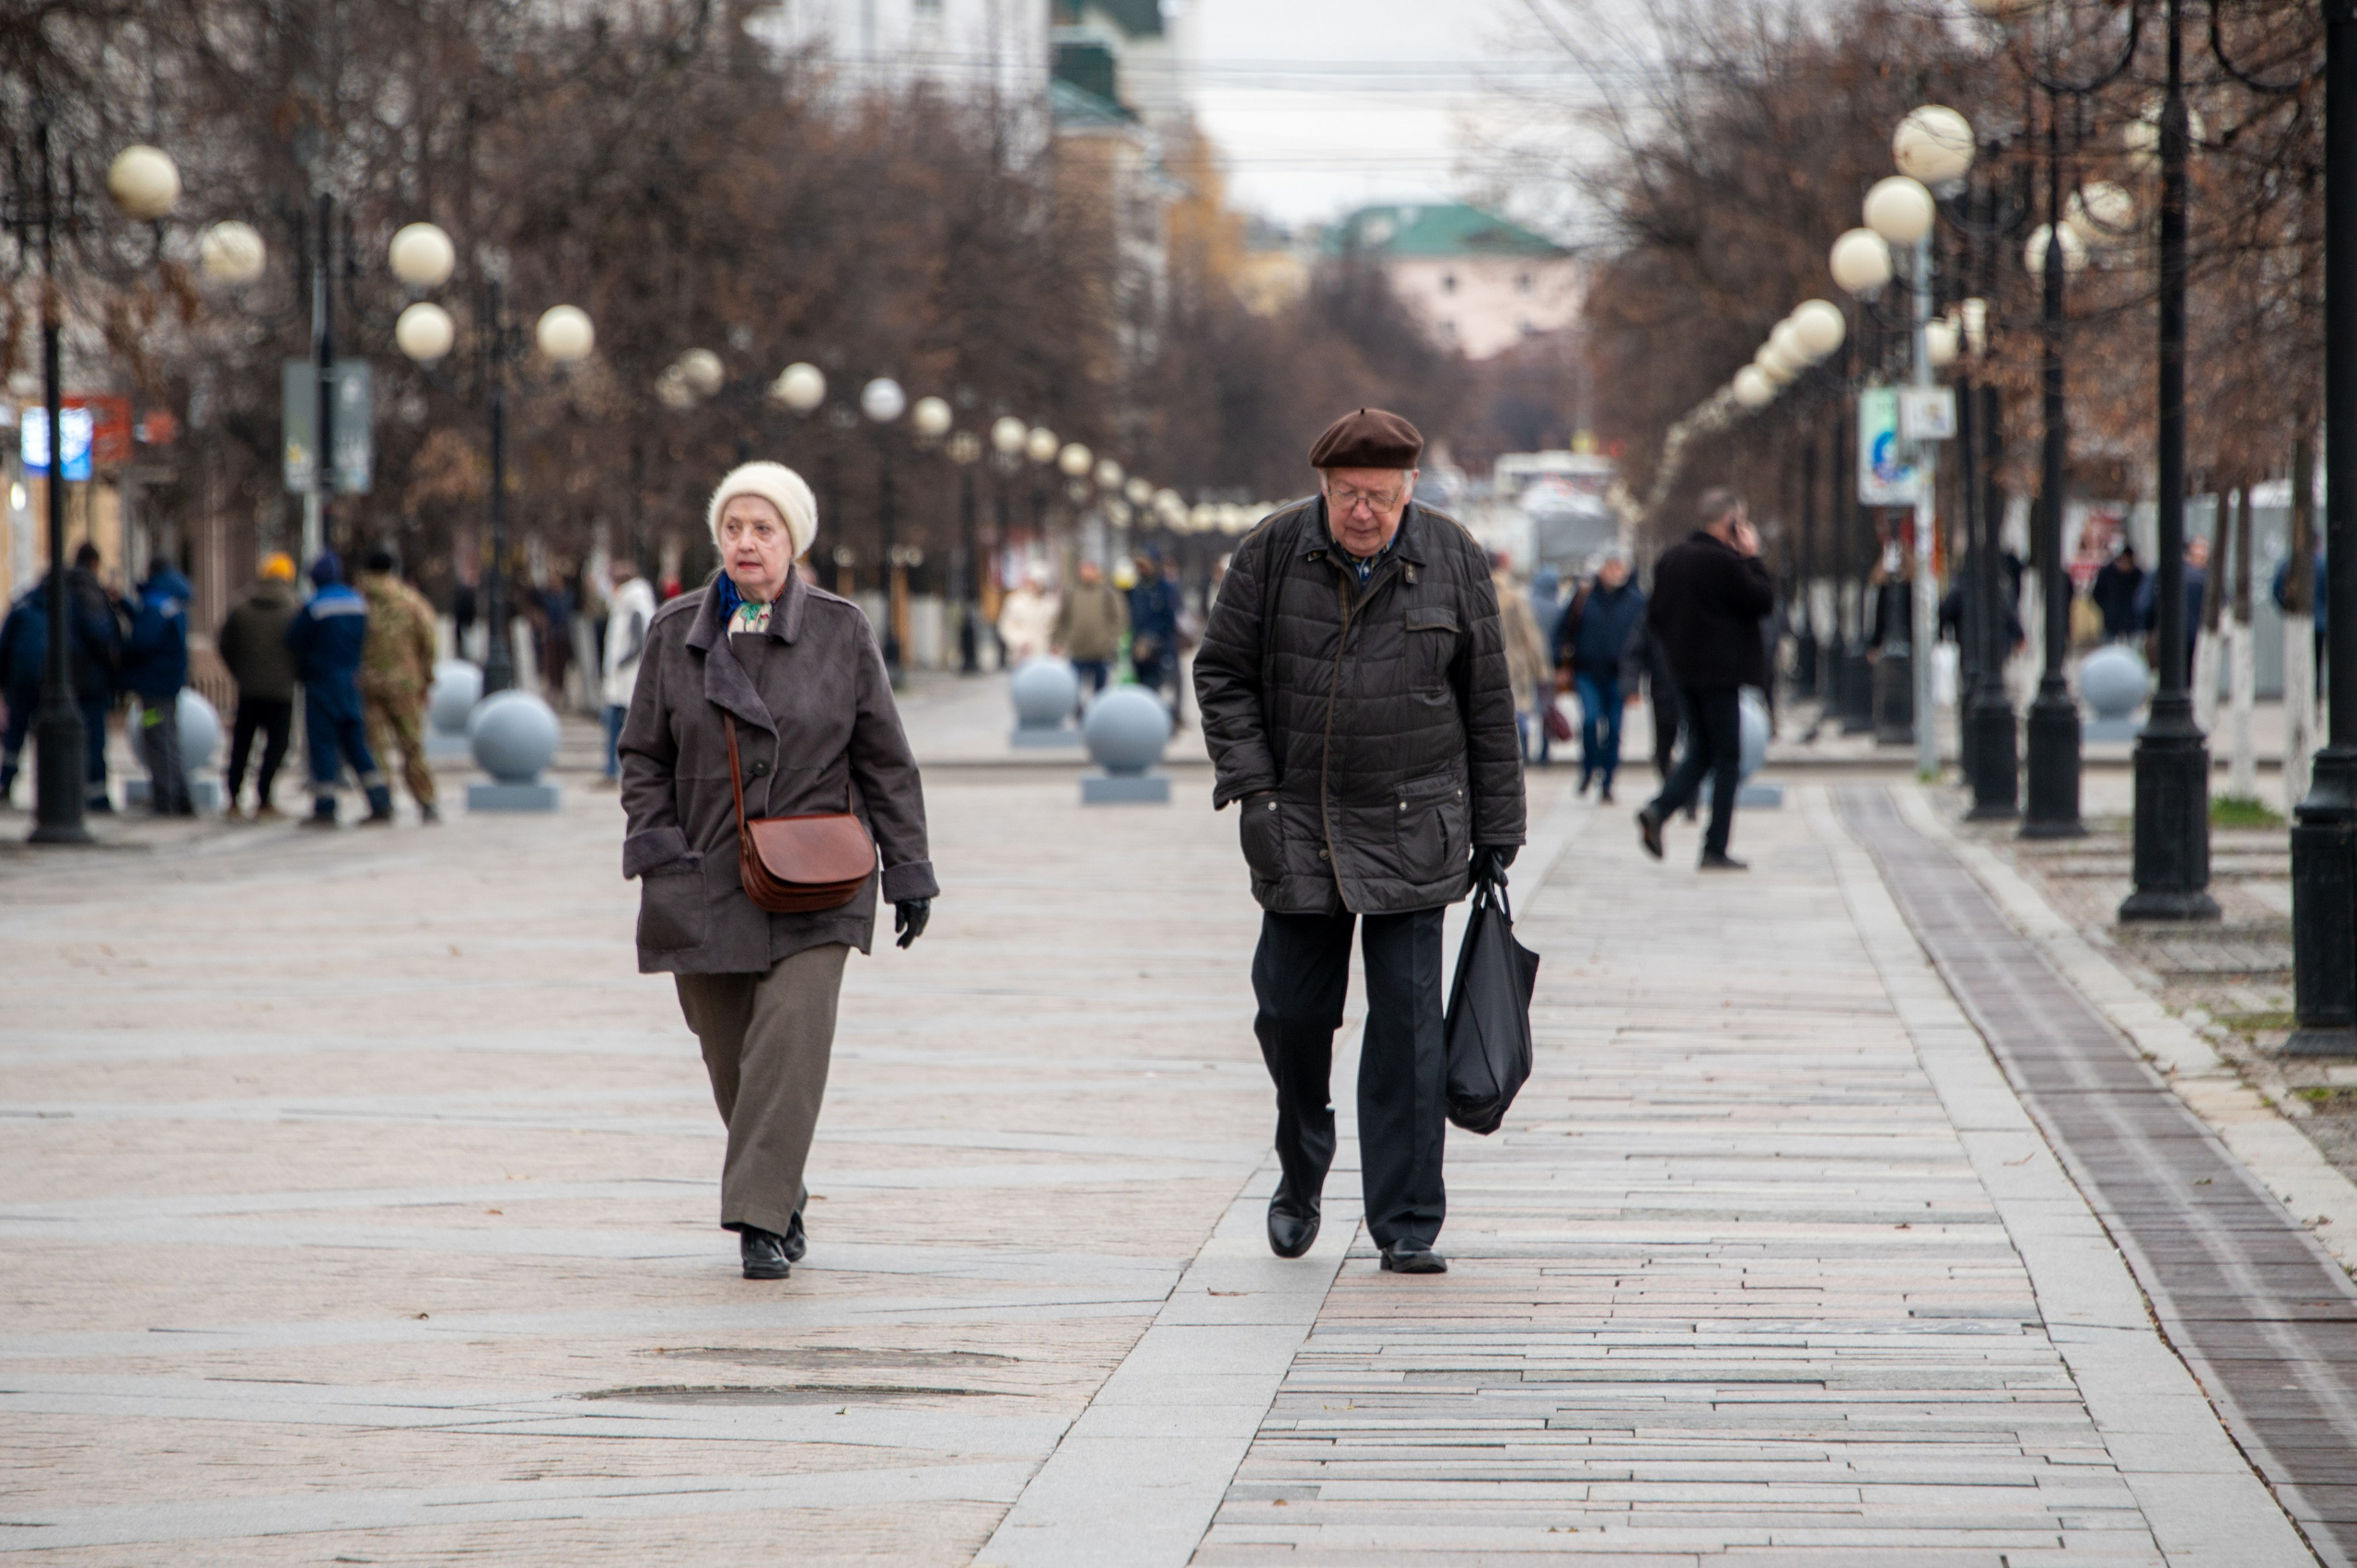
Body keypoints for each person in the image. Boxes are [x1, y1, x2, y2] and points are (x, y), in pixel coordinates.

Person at [1194, 407, 1524, 1277]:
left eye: (1379, 496)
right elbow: (1220, 672)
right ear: (1324, 489)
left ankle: (1407, 1218)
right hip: (1297, 825)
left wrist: (1498, 828)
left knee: (1409, 1033)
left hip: (1416, 825)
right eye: (1348, 495)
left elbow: (1487, 697)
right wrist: (1253, 787)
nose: (1363, 512)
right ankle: (1303, 1163)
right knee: (1291, 1014)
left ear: (1410, 488)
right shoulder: (1270, 551)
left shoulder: (1452, 555)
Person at [621, 461, 936, 1282]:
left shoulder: (840, 629)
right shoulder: (674, 631)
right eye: (733, 527)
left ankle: (757, 1221)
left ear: (793, 539)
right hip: (703, 877)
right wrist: (656, 842)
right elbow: (642, 756)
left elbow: (885, 760)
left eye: (764, 528)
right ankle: (781, 1188)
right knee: (732, 1059)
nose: (746, 542)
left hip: (817, 881)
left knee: (789, 1042)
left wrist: (908, 868)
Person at [1635, 489, 1773, 871]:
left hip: (1683, 673)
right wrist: (1754, 557)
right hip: (1722, 675)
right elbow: (1763, 600)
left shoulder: (1671, 559)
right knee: (1727, 757)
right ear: (1730, 523)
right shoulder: (1726, 563)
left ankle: (1659, 811)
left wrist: (1680, 650)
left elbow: (1655, 617)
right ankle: (1714, 847)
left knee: (1702, 748)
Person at [285, 552, 394, 829]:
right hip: (350, 680)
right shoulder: (357, 602)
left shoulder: (316, 605)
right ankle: (380, 800)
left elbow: (295, 640)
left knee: (323, 743)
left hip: (322, 681)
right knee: (356, 740)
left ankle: (325, 807)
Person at [358, 546, 442, 823]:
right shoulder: (411, 601)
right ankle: (426, 801)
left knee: (375, 747)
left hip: (368, 685)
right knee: (412, 745)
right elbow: (428, 642)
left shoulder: (359, 601)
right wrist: (426, 679)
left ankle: (382, 803)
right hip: (406, 685)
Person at [216, 552, 303, 819]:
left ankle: (233, 799)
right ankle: (265, 797)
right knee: (277, 744)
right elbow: (303, 648)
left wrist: (240, 671)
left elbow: (225, 644)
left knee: (242, 743)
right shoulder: (295, 609)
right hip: (281, 691)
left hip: (249, 689)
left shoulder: (240, 606)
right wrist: (294, 674)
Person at [1560, 548, 1647, 803]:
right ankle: (1588, 768)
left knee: (1615, 729)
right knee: (1589, 721)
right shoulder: (1584, 597)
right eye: (1609, 565)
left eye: (1618, 566)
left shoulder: (1636, 602)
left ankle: (1607, 781)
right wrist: (1560, 665)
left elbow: (1646, 641)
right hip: (1587, 671)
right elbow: (1564, 630)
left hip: (1620, 676)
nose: (1614, 571)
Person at [120, 554, 194, 817]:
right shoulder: (173, 600)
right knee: (169, 737)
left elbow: (143, 640)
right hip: (169, 684)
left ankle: (166, 798)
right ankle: (181, 795)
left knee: (157, 738)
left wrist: (121, 654)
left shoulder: (155, 603)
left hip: (153, 687)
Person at [68, 543, 122, 810]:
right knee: (93, 738)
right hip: (89, 678)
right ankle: (96, 796)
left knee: (67, 739)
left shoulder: (58, 588)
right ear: (94, 564)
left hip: (62, 678)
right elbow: (99, 633)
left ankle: (68, 794)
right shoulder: (89, 592)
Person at [601, 557, 658, 785]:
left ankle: (615, 769)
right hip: (622, 678)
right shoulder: (627, 603)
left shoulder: (633, 604)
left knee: (620, 724)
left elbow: (638, 641)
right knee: (615, 722)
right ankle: (611, 769)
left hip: (628, 678)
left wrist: (620, 663)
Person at [1494, 556, 1550, 765]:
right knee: (1518, 709)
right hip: (1515, 663)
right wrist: (1542, 670)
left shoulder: (1472, 592)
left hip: (1486, 666)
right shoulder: (1514, 597)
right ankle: (1522, 752)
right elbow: (1530, 636)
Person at [2133, 534, 2210, 683]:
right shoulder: (2202, 577)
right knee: (2190, 678)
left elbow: (2143, 605)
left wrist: (2149, 628)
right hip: (2197, 637)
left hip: (2167, 635)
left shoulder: (2157, 573)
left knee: (2168, 679)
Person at [1053, 558, 1126, 702]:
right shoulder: (1072, 593)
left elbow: (1119, 619)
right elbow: (1062, 619)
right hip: (1077, 651)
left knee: (1100, 694)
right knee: (1073, 689)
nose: (1087, 574)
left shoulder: (1107, 593)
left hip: (1101, 653)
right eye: (1084, 570)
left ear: (1096, 572)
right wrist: (1059, 641)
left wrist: (1111, 640)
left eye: (1090, 570)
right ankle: (1079, 716)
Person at [1127, 553, 1183, 699]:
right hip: (1138, 648)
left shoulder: (1165, 589)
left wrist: (1155, 640)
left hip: (1159, 649)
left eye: (1144, 566)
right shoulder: (1136, 589)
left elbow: (1171, 619)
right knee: (1139, 689)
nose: (1141, 570)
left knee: (1155, 689)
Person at [995, 568, 1057, 665]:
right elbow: (1006, 626)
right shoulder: (1015, 601)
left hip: (1045, 653)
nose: (1035, 585)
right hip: (1022, 653)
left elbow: (1055, 627)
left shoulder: (1051, 603)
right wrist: (1019, 641)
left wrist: (1055, 645)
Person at [2089, 545, 2145, 642]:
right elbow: (2097, 593)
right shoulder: (2107, 573)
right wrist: (2107, 608)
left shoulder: (2137, 574)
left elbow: (2143, 596)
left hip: (2132, 622)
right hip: (2112, 622)